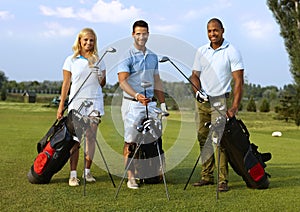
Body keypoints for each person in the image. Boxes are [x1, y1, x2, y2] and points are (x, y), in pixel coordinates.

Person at [190, 18, 244, 192]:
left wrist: (234, 107)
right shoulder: (201, 51)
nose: (212, 34)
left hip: (220, 101)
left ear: (222, 30)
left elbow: (239, 81)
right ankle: (207, 176)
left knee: (219, 140)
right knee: (203, 138)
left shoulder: (232, 51)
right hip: (203, 102)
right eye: (209, 31)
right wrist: (197, 91)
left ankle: (223, 180)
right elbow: (194, 76)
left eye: (215, 30)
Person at [117, 20, 167, 189]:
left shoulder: (153, 56)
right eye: (138, 33)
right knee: (131, 141)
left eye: (144, 33)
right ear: (133, 35)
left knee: (153, 138)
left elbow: (157, 80)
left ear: (148, 34)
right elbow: (122, 81)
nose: (141, 36)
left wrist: (163, 104)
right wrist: (136, 95)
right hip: (132, 103)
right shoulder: (127, 55)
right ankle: (131, 177)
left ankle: (152, 171)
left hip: (151, 104)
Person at [57, 28, 106, 186]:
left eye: (91, 40)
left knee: (91, 137)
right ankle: (73, 175)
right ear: (79, 41)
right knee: (75, 139)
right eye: (85, 40)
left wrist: (99, 74)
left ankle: (87, 172)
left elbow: (103, 84)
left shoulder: (99, 59)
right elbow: (66, 85)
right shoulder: (71, 60)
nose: (88, 43)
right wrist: (61, 106)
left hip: (95, 101)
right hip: (76, 102)